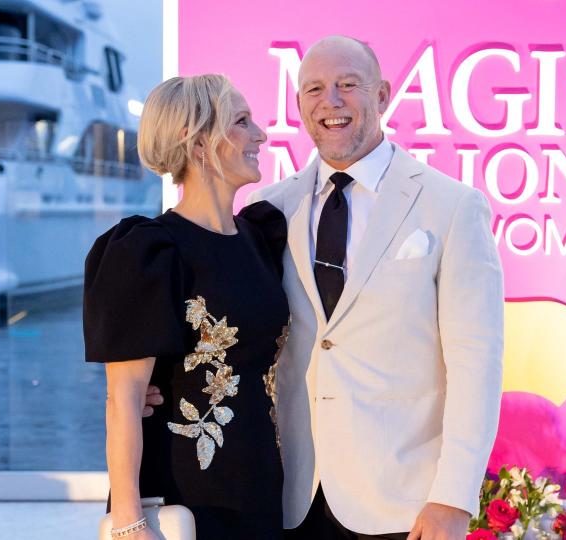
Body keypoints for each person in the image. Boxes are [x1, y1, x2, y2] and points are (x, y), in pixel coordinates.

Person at [147, 35, 505, 540]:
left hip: (404, 504)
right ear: (298, 106)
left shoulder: (452, 207)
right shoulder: (267, 213)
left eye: (347, 85)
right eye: (314, 88)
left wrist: (453, 497)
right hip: (289, 495)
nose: (330, 102)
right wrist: (147, 383)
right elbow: (225, 326)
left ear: (382, 96)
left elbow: (477, 363)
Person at [84, 74, 289, 539]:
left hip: (260, 483)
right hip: (184, 492)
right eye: (241, 122)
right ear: (198, 142)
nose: (260, 135)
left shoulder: (261, 237)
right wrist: (129, 523)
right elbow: (125, 400)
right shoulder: (148, 252)